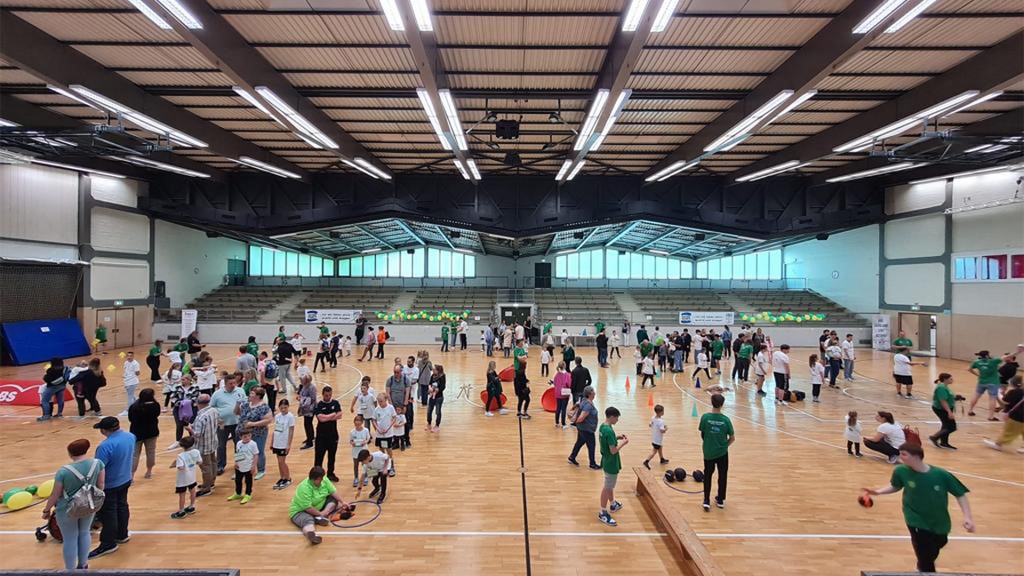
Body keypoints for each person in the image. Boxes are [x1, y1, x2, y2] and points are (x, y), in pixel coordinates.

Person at [860, 443, 974, 573]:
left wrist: (967, 517)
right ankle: (925, 569)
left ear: (916, 456)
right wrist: (878, 492)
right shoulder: (900, 471)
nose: (900, 457)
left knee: (937, 544)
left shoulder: (941, 475)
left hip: (939, 521)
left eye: (904, 454)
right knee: (925, 555)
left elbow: (960, 494)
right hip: (915, 519)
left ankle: (921, 566)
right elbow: (896, 486)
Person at [42, 438, 105, 570]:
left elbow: (55, 494)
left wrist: (46, 510)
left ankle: (70, 570)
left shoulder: (63, 471)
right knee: (84, 532)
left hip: (67, 508)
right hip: (89, 505)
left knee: (70, 539)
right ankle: (83, 565)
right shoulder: (98, 464)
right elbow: (101, 485)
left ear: (70, 453)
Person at [90, 416, 135, 560]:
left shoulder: (105, 446)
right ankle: (122, 534)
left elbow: (99, 468)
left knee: (108, 513)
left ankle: (108, 543)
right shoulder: (130, 436)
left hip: (110, 483)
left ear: (104, 430)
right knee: (122, 506)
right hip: (125, 478)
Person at [290, 466, 347, 545]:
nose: (322, 480)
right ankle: (311, 534)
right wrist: (320, 513)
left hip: (319, 507)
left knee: (333, 500)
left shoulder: (324, 479)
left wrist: (342, 502)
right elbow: (308, 508)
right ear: (314, 479)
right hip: (301, 511)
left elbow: (333, 491)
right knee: (308, 520)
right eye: (320, 479)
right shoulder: (304, 488)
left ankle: (319, 517)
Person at [699, 393, 734, 512]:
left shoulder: (705, 417)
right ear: (722, 404)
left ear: (711, 402)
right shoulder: (726, 420)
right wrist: (723, 446)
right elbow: (732, 438)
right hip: (722, 453)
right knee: (722, 475)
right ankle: (720, 500)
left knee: (707, 475)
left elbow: (703, 434)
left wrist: (710, 443)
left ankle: (706, 500)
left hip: (708, 451)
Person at [595, 406, 628, 527]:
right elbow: (613, 450)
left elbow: (608, 440)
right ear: (612, 417)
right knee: (607, 487)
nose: (617, 420)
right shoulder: (609, 430)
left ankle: (613, 504)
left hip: (606, 459)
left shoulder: (603, 427)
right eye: (617, 418)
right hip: (611, 462)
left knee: (610, 486)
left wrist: (617, 437)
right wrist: (623, 443)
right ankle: (603, 512)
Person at [236, 387, 273, 480]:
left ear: (258, 396)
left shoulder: (264, 407)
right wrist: (237, 404)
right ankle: (241, 469)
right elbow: (237, 413)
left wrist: (253, 424)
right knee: (241, 450)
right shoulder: (245, 405)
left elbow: (269, 420)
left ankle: (261, 470)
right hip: (243, 432)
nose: (249, 395)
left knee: (258, 451)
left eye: (252, 393)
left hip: (258, 433)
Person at [212, 373, 246, 475]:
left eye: (234, 383)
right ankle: (220, 465)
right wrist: (217, 419)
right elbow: (212, 407)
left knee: (239, 445)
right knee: (221, 445)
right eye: (231, 383)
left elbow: (245, 403)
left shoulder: (240, 391)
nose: (233, 385)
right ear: (225, 383)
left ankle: (239, 464)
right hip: (223, 424)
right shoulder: (217, 394)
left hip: (237, 423)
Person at [188, 393, 219, 496]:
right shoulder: (214, 410)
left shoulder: (201, 417)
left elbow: (197, 434)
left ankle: (206, 488)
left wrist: (190, 429)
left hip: (203, 445)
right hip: (212, 441)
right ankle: (211, 482)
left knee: (205, 467)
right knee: (213, 462)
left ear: (198, 403)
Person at [983, 375, 1024, 452]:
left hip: (1017, 416)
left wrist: (997, 396)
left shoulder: (1013, 392)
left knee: (1009, 431)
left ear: (1012, 383)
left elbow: (1004, 403)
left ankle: (998, 444)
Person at [128, 388, 161, 479]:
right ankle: (149, 472)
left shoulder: (134, 406)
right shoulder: (156, 405)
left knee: (134, 454)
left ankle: (131, 476)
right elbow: (157, 415)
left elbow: (131, 419)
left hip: (136, 433)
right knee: (151, 452)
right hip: (152, 432)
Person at [314, 386, 342, 482]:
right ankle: (317, 476)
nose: (328, 397)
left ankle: (330, 473)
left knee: (332, 456)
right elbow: (321, 418)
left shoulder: (335, 403)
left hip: (333, 435)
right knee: (319, 457)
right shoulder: (319, 405)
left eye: (330, 395)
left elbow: (340, 415)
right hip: (321, 436)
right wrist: (332, 415)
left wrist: (327, 417)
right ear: (323, 394)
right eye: (326, 395)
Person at [568, 386, 600, 470]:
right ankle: (592, 464)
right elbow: (582, 417)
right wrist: (575, 421)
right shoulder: (588, 405)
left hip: (582, 428)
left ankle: (572, 457)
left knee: (579, 442)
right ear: (590, 394)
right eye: (593, 391)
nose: (595, 393)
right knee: (591, 446)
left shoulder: (584, 401)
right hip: (587, 430)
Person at [967, 350, 1003, 421]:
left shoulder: (977, 362)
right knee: (992, 399)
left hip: (981, 382)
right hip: (993, 383)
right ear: (987, 355)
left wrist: (977, 374)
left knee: (976, 396)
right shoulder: (993, 361)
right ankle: (991, 416)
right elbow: (1004, 358)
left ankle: (970, 410)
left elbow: (969, 369)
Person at [170, 436, 200, 519]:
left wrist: (173, 464)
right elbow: (200, 461)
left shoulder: (180, 456)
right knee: (193, 491)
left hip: (182, 479)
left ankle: (181, 511)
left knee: (182, 495)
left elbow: (180, 467)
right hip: (192, 477)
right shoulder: (196, 452)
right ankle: (192, 506)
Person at [227, 429, 259, 505]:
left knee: (248, 481)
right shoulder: (238, 443)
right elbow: (238, 453)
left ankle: (248, 494)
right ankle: (238, 493)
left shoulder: (253, 444)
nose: (247, 438)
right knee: (238, 480)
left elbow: (256, 455)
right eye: (245, 436)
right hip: (239, 466)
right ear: (240, 437)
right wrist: (236, 462)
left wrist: (253, 466)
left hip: (248, 466)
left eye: (249, 436)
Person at [270, 398, 295, 490]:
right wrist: (272, 441)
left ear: (288, 407)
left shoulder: (290, 417)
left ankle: (288, 478)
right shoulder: (277, 416)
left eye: (285, 407)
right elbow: (276, 429)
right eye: (281, 408)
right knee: (279, 462)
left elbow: (291, 431)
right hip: (277, 441)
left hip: (284, 442)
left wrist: (288, 444)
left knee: (282, 462)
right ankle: (282, 477)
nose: (283, 409)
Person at [929, 373, 958, 450]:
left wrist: (956, 398)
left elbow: (947, 397)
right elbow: (943, 401)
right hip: (942, 409)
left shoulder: (944, 386)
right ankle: (934, 437)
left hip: (945, 408)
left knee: (946, 425)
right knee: (952, 427)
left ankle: (944, 442)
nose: (952, 380)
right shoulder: (941, 388)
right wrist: (949, 412)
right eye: (951, 379)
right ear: (945, 379)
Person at [372, 393, 398, 477]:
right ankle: (384, 466)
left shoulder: (390, 408)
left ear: (386, 400)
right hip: (380, 435)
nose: (380, 403)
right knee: (381, 450)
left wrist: (388, 428)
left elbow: (394, 418)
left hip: (388, 434)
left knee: (389, 451)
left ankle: (392, 467)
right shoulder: (376, 409)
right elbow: (374, 420)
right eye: (378, 401)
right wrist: (378, 429)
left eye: (381, 401)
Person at [170, 374, 200, 444]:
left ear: (189, 380)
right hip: (179, 409)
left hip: (191, 409)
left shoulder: (195, 387)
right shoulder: (177, 387)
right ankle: (178, 441)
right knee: (179, 425)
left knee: (191, 424)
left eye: (184, 379)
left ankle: (193, 441)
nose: (182, 381)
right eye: (182, 379)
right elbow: (172, 397)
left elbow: (196, 397)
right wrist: (180, 403)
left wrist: (187, 403)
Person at [643, 404, 669, 470]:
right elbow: (662, 431)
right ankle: (646, 461)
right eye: (663, 411)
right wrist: (666, 428)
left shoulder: (653, 417)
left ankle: (662, 459)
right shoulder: (661, 421)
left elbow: (650, 424)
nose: (664, 412)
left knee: (660, 447)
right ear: (660, 412)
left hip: (654, 438)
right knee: (654, 452)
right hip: (658, 439)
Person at [349, 415, 371, 487]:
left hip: (363, 450)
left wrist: (365, 442)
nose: (357, 422)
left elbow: (368, 438)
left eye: (359, 421)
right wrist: (352, 443)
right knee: (356, 465)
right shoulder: (352, 432)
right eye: (356, 421)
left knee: (364, 464)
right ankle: (356, 478)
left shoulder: (366, 430)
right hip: (355, 451)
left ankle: (366, 477)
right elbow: (351, 440)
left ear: (362, 422)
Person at [298, 375, 318, 450]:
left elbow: (313, 398)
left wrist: (303, 400)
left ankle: (310, 442)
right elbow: (302, 394)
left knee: (307, 424)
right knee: (308, 424)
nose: (301, 381)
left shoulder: (311, 387)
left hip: (310, 409)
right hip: (306, 408)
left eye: (302, 380)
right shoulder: (305, 386)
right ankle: (310, 437)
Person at [119, 351, 141, 416]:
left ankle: (128, 410)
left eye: (130, 356)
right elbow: (126, 371)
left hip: (132, 382)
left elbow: (138, 373)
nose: (129, 357)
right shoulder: (126, 362)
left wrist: (132, 376)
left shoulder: (135, 364)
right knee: (132, 395)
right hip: (127, 381)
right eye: (128, 356)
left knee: (130, 396)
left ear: (133, 356)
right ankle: (138, 405)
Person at [427, 364, 446, 432]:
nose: (433, 370)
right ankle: (429, 423)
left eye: (434, 369)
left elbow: (443, 387)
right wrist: (430, 388)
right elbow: (429, 383)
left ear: (438, 370)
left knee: (438, 412)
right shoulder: (433, 375)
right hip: (431, 396)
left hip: (439, 397)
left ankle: (437, 425)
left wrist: (437, 390)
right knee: (429, 411)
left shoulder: (442, 376)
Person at [552, 362, 571, 429]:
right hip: (564, 394)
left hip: (557, 393)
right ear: (565, 366)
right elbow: (569, 384)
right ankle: (563, 424)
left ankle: (557, 422)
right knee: (563, 409)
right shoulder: (567, 375)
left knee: (558, 408)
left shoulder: (557, 374)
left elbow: (554, 383)